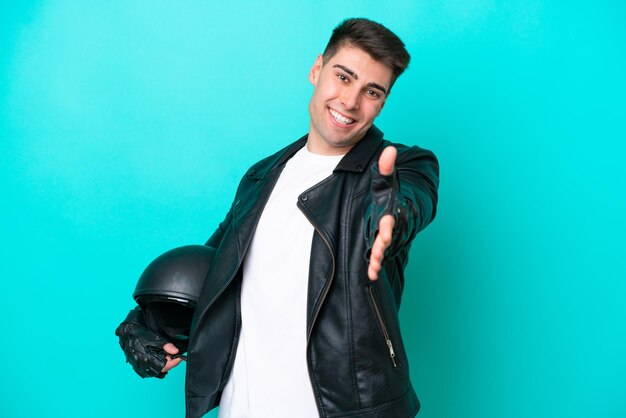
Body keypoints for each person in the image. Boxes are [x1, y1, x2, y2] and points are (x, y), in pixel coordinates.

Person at [117, 17, 439, 418]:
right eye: (343, 77)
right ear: (317, 69)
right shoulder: (262, 176)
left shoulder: (401, 168)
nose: (351, 102)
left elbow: (410, 204)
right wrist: (143, 322)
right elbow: (210, 272)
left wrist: (390, 218)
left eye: (371, 91)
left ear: (383, 101)